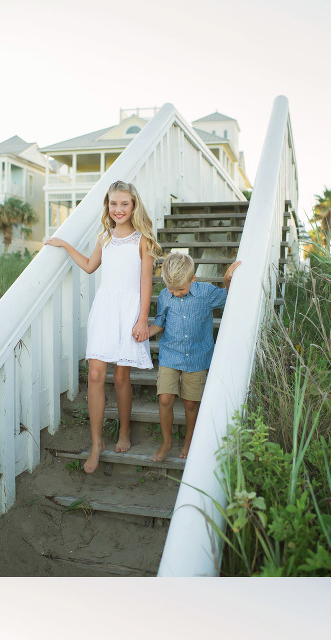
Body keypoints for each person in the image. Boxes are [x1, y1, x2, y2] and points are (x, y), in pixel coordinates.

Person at [45, 181, 161, 473]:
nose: (118, 209)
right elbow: (88, 265)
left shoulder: (142, 240)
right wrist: (65, 245)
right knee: (96, 373)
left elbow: (146, 281)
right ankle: (97, 443)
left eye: (124, 203)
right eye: (113, 204)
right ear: (107, 206)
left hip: (130, 310)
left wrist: (142, 319)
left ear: (134, 205)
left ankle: (124, 431)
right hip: (105, 310)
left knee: (121, 377)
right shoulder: (105, 237)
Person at [147, 251, 241, 462]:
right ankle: (167, 442)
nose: (176, 293)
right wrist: (146, 332)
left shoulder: (206, 292)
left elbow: (230, 300)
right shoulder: (165, 295)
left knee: (190, 403)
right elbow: (160, 321)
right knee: (164, 399)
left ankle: (190, 440)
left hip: (197, 357)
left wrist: (227, 280)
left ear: (193, 279)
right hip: (170, 354)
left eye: (180, 289)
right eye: (171, 289)